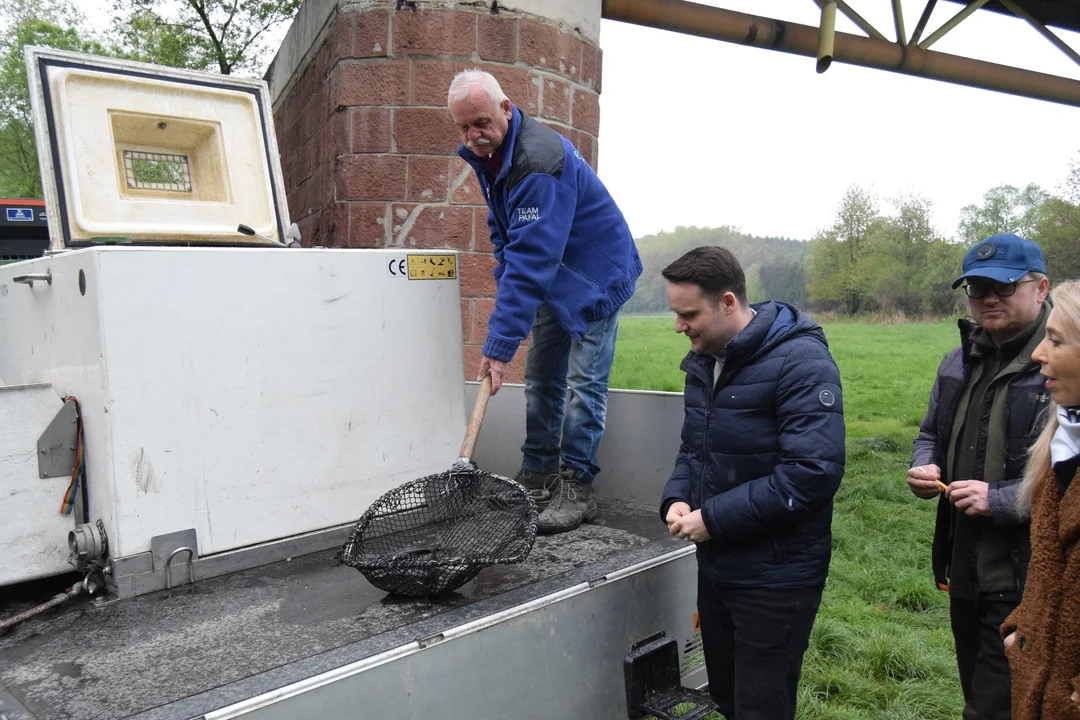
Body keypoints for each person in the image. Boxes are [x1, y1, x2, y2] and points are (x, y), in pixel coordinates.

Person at [446, 69, 642, 535]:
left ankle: (577, 486)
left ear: (506, 109)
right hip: (554, 273)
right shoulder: (493, 156)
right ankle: (537, 473)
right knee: (540, 377)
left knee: (582, 384)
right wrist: (508, 292)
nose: (473, 135)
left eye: (481, 122)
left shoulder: (537, 160)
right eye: (463, 127)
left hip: (595, 274)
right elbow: (507, 237)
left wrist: (498, 343)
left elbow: (532, 257)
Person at [659, 246, 845, 720]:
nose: (678, 326)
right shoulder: (704, 361)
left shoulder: (801, 362)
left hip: (777, 576)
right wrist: (678, 496)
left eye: (687, 314)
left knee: (763, 707)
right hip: (719, 564)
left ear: (726, 302)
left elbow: (811, 473)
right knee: (727, 697)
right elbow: (693, 449)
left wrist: (713, 519)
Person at [908, 233, 1051, 720]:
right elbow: (929, 432)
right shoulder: (958, 359)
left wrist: (1003, 500)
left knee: (994, 708)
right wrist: (925, 466)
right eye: (978, 287)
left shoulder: (1062, 364)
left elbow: (1070, 486)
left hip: (1028, 577)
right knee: (981, 692)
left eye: (1005, 287)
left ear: (1041, 288)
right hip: (965, 568)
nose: (989, 298)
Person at [1001, 279, 1080, 720]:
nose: (1038, 353)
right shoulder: (1062, 445)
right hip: (1040, 684)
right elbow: (1050, 564)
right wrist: (1020, 629)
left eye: (1056, 340)